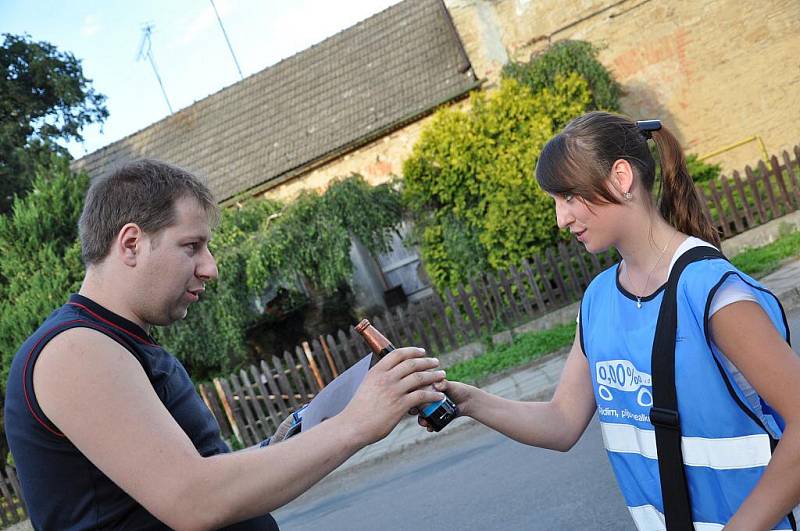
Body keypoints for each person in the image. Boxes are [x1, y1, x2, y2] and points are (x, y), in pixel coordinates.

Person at [4, 159, 447, 530]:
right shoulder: (76, 351)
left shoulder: (118, 342)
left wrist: (318, 424)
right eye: (192, 246)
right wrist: (357, 424)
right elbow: (194, 499)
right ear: (132, 243)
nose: (210, 268)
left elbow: (202, 473)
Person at [419, 112, 800, 530]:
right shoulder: (598, 300)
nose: (560, 219)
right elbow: (562, 422)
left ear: (621, 177)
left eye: (567, 196)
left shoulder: (712, 293)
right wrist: (469, 401)